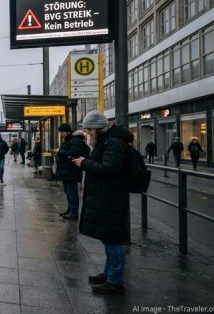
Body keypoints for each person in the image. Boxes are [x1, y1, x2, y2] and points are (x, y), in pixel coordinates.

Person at [70, 111, 130, 294]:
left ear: (98, 128)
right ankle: (108, 273)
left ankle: (115, 281)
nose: (88, 133)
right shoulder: (108, 141)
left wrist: (85, 163)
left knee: (113, 240)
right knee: (108, 238)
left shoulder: (114, 143)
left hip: (111, 197)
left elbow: (109, 169)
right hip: (106, 196)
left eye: (89, 130)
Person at [55, 124, 90, 220]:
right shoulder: (70, 140)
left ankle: (74, 211)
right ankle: (70, 209)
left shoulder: (75, 140)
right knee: (67, 191)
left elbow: (73, 153)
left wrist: (60, 152)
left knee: (72, 192)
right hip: (67, 170)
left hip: (71, 170)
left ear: (67, 132)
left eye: (62, 132)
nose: (61, 134)